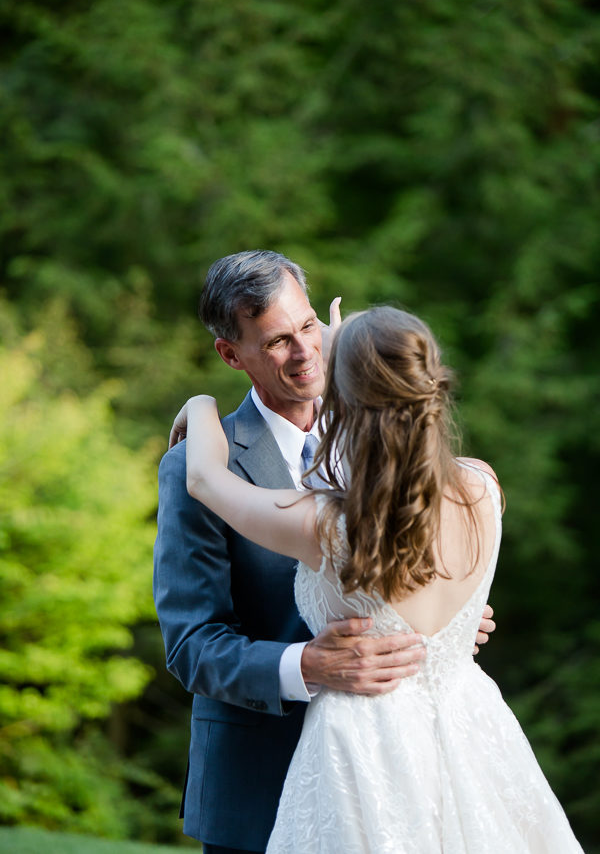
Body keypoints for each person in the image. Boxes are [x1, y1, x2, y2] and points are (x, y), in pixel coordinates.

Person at [172, 305, 583, 853]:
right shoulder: (484, 489)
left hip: (361, 754)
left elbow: (202, 477)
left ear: (345, 399)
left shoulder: (325, 525)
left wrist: (201, 404)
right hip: (473, 741)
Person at [154, 250, 494, 854]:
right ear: (232, 355)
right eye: (278, 340)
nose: (305, 351)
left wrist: (439, 625)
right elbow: (191, 645)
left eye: (309, 326)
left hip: (405, 778)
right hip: (258, 787)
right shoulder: (197, 464)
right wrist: (307, 664)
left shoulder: (386, 443)